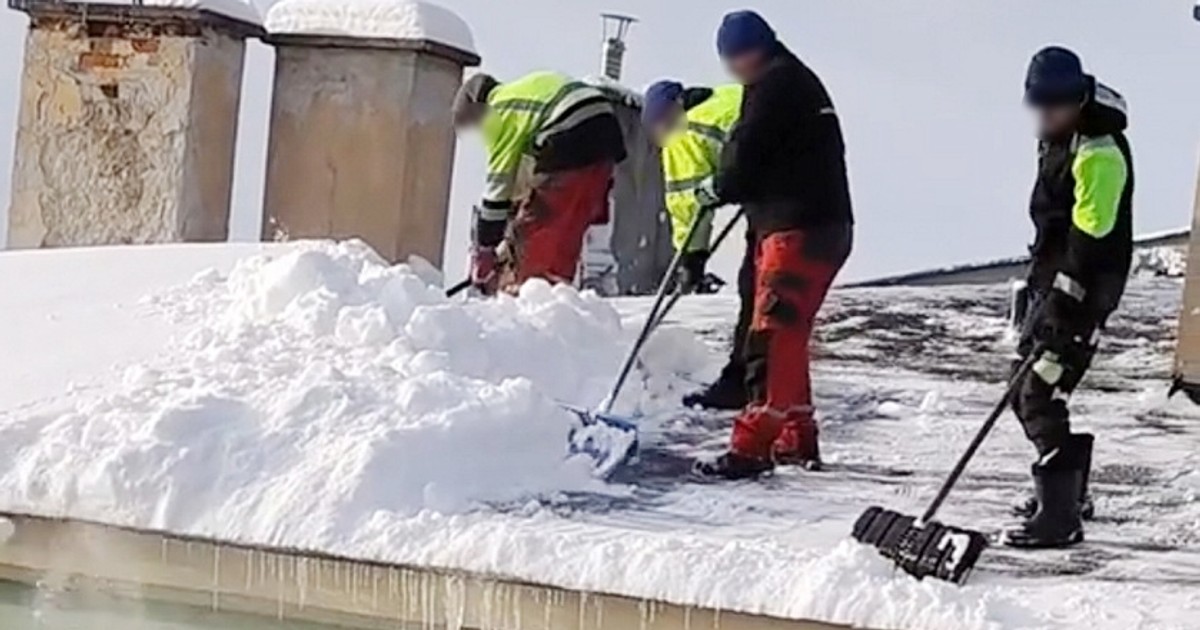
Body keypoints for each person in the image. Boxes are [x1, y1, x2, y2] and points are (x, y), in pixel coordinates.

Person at [693, 10, 854, 480]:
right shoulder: (790, 79)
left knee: (772, 332)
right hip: (819, 223)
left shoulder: (776, 85)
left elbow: (747, 150)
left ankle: (751, 447)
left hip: (798, 226)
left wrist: (721, 187)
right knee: (791, 332)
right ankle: (796, 437)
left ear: (747, 55)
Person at [1005, 46, 1133, 549]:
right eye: (1041, 104)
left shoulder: (1098, 154)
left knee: (1038, 390)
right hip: (1053, 285)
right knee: (1025, 388)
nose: (1049, 113)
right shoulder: (1059, 139)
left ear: (1080, 98)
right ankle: (1067, 495)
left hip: (1084, 292)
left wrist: (1062, 304)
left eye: (1059, 103)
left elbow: (1090, 242)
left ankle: (1061, 518)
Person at [452, 72, 626, 294]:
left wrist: (485, 247)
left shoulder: (497, 110)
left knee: (535, 234)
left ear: (477, 108)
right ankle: (556, 302)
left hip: (570, 134)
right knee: (565, 235)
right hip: (605, 134)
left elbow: (498, 186)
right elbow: (525, 178)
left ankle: (532, 302)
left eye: (473, 123)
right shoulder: (524, 96)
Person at [640, 80, 751, 411]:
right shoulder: (727, 96)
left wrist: (691, 259)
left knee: (757, 288)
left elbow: (688, 205)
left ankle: (746, 385)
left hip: (782, 192)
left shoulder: (682, 133)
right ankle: (748, 382)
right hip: (811, 170)